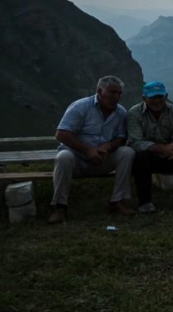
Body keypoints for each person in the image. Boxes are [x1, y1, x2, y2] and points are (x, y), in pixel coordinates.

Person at [48, 75, 136, 224]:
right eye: (112, 92)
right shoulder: (80, 107)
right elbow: (61, 134)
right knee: (63, 157)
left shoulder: (120, 112)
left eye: (119, 93)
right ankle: (60, 207)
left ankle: (117, 201)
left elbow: (121, 137)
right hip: (77, 159)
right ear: (100, 91)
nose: (116, 97)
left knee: (127, 153)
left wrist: (107, 146)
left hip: (102, 159)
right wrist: (87, 150)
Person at [127, 81, 173, 214]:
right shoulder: (134, 113)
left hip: (170, 156)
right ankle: (145, 202)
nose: (157, 101)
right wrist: (163, 148)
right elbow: (135, 142)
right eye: (152, 97)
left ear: (166, 96)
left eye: (160, 97)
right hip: (148, 156)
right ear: (144, 98)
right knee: (140, 158)